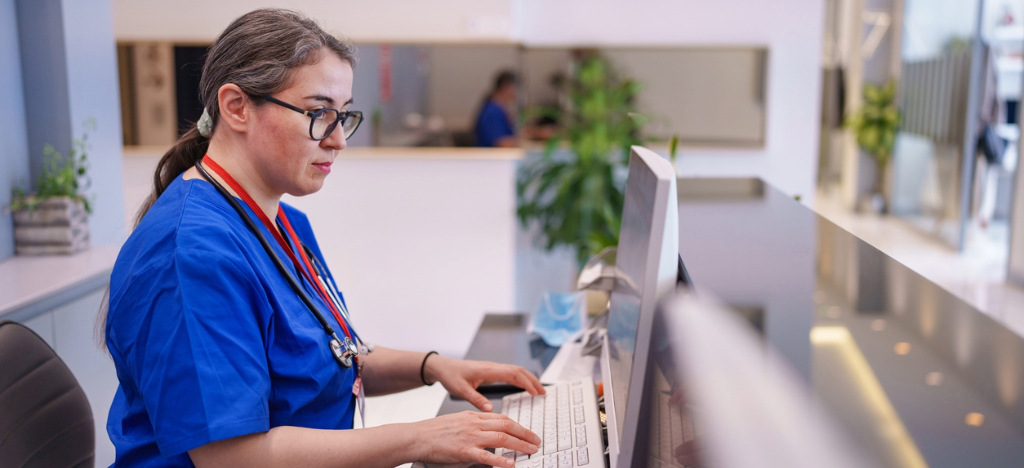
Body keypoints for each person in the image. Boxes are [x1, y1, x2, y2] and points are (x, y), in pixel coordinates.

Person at [104, 9, 543, 468]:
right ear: (236, 107)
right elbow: (231, 456)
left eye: (343, 116)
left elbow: (326, 354)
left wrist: (433, 366)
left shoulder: (282, 220)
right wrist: (418, 439)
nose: (338, 141)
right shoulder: (191, 255)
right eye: (318, 114)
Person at [474, 70, 519, 147]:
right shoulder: (492, 112)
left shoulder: (500, 108)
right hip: (491, 157)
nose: (516, 93)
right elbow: (502, 143)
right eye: (515, 88)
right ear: (506, 87)